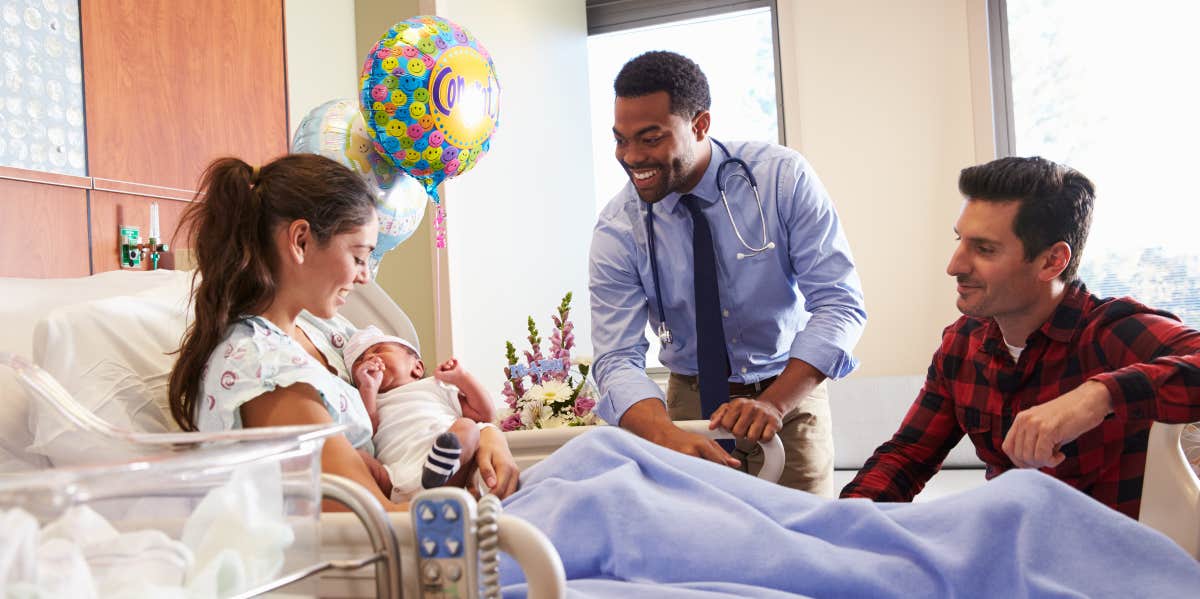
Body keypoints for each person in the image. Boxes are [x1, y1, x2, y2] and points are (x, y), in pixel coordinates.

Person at [841, 156, 1200, 518]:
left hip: (1110, 563)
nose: (955, 266)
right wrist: (847, 519)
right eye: (960, 241)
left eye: (984, 249)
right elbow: (907, 456)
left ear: (1052, 261)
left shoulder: (1113, 334)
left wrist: (1098, 396)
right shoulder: (962, 345)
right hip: (1013, 556)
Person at [167, 154, 520, 511]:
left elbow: (414, 408)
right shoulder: (264, 369)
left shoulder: (328, 332)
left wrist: (488, 436)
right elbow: (373, 525)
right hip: (395, 543)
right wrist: (472, 509)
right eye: (358, 256)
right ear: (301, 241)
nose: (364, 276)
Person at [589, 50, 867, 494]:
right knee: (703, 548)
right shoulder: (619, 228)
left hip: (789, 394)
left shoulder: (781, 179)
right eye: (621, 139)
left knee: (801, 544)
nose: (632, 156)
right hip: (689, 406)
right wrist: (666, 434)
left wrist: (775, 403)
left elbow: (840, 304)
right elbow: (616, 358)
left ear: (700, 124)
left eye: (650, 137)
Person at [343, 325, 497, 501]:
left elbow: (484, 413)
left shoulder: (434, 386)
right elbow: (367, 432)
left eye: (379, 350)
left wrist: (462, 378)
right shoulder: (368, 400)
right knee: (354, 457)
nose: (369, 358)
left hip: (450, 473)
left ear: (417, 367)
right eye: (360, 361)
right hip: (395, 479)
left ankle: (438, 469)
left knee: (468, 427)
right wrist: (368, 389)